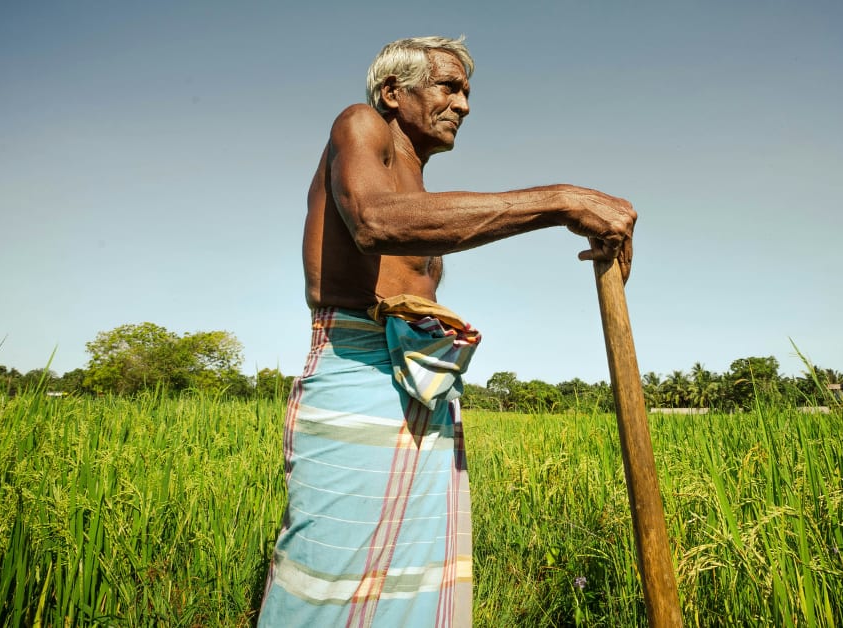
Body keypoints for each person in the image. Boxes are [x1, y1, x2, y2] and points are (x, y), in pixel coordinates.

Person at [258, 36, 635, 627]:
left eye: (466, 92)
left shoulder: (417, 179)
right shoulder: (359, 126)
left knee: (416, 577)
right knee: (329, 575)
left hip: (421, 382)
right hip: (358, 371)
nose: (463, 104)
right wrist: (560, 201)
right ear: (393, 92)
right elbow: (376, 223)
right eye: (448, 86)